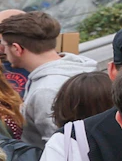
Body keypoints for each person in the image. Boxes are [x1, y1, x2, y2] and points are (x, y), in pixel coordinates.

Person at [2, 12, 93, 149]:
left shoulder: (45, 91)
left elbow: (58, 147)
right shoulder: (80, 67)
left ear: (16, 49)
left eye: (5, 46)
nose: (4, 51)